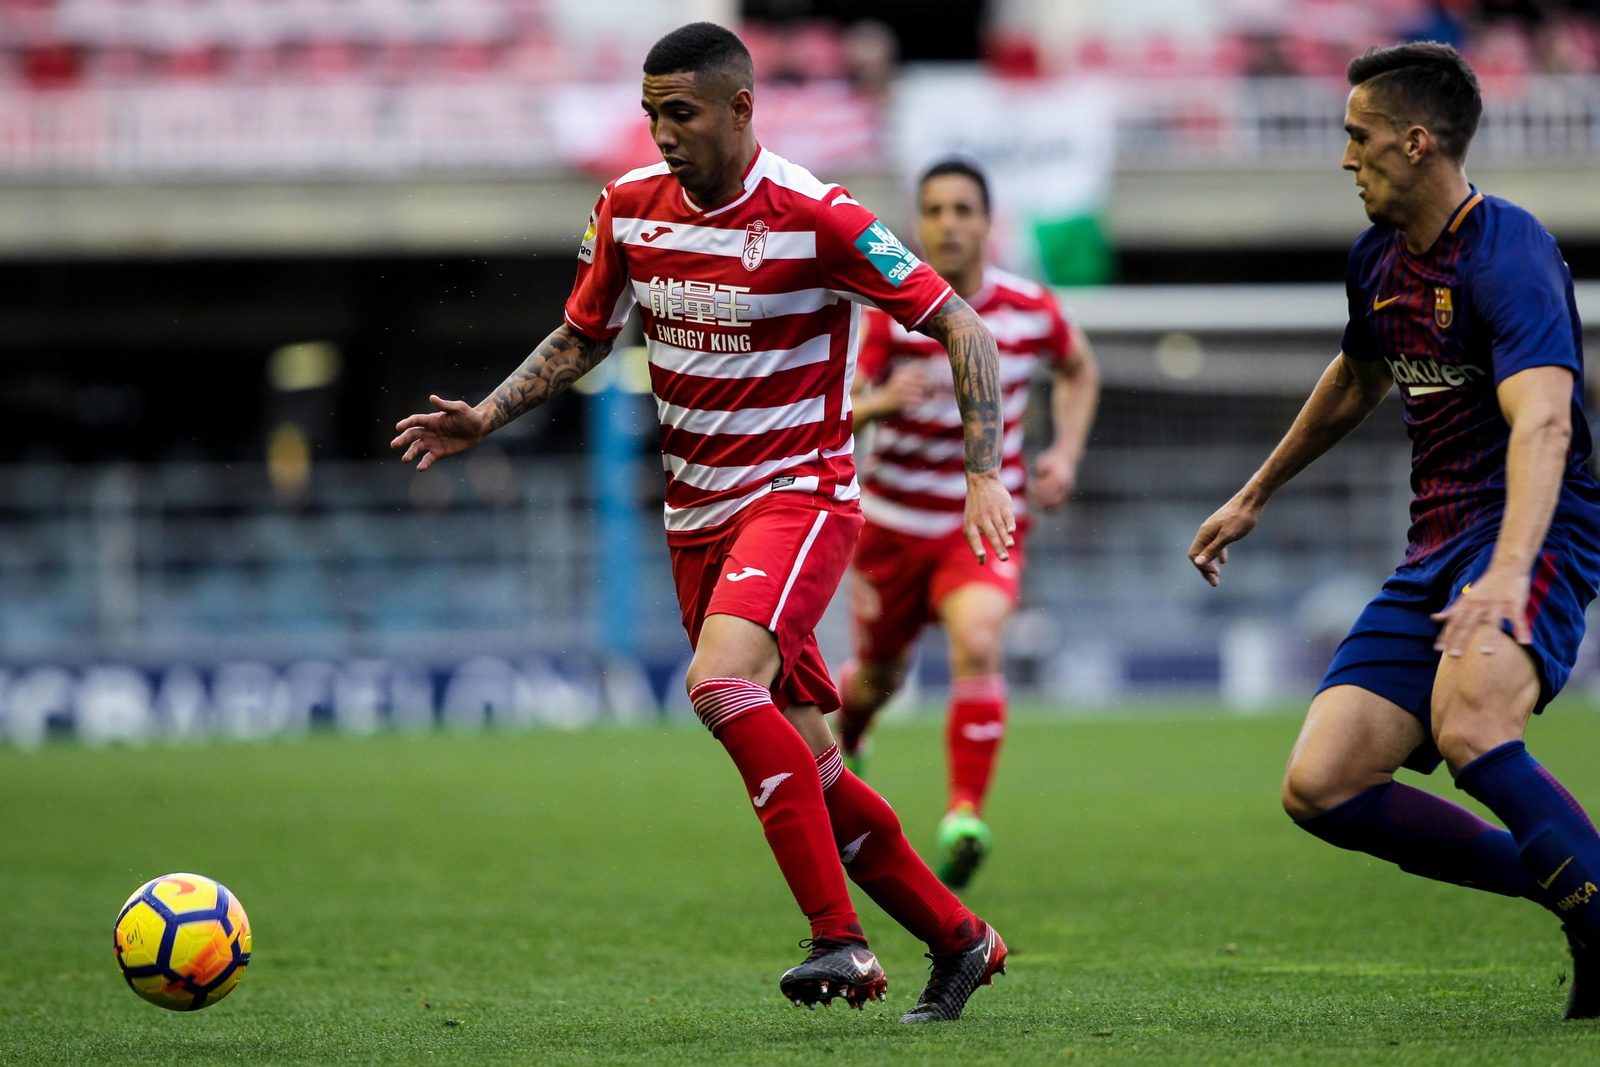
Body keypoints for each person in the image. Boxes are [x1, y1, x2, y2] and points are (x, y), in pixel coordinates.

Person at [390, 23, 1013, 1022]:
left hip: (799, 497)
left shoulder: (819, 214)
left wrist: (985, 470)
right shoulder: (630, 210)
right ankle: (959, 937)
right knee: (812, 762)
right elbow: (582, 333)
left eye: (678, 113)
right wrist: (486, 413)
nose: (661, 132)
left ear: (739, 108)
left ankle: (838, 940)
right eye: (649, 114)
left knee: (719, 684)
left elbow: (959, 321)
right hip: (697, 523)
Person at [1189, 42, 1600, 1019]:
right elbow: (1357, 374)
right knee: (1322, 782)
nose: (1345, 158)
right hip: (1434, 547)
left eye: (1357, 137)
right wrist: (1255, 492)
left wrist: (1506, 574)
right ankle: (1577, 886)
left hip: (1531, 529)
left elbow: (1543, 420)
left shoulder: (1509, 252)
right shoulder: (1376, 258)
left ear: (1415, 143)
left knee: (1472, 727)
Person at [835, 159, 1100, 888]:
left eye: (963, 209)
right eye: (935, 211)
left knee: (979, 638)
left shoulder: (1027, 307)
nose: (949, 223)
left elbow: (1080, 369)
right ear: (918, 225)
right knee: (877, 680)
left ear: (988, 222)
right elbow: (839, 411)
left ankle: (963, 815)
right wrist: (883, 402)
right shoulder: (887, 313)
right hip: (889, 525)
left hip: (977, 520)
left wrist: (1064, 456)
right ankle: (851, 734)